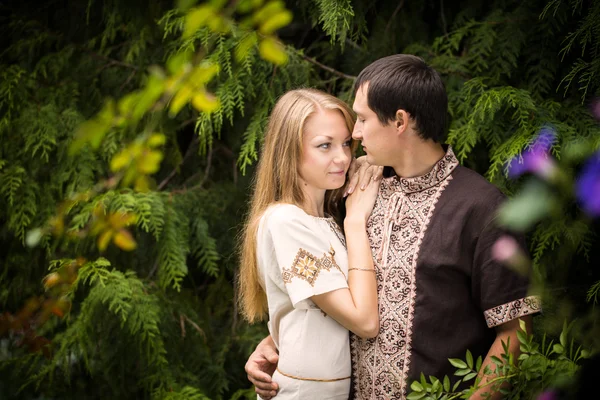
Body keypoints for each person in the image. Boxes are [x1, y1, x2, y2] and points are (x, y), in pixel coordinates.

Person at [244, 55, 542, 400]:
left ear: (399, 121)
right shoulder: (350, 189)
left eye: (363, 119)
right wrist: (274, 343)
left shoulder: (482, 209)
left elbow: (515, 331)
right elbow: (319, 295)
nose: (354, 134)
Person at [237, 88, 385, 399]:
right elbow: (366, 322)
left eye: (346, 143)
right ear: (288, 152)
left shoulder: (324, 218)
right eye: (324, 146)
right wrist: (356, 222)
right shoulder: (286, 221)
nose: (342, 157)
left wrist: (272, 341)